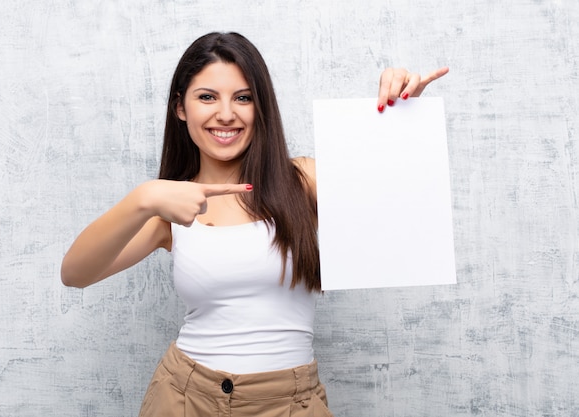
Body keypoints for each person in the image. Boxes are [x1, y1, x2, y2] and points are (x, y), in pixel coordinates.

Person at [61, 32, 448, 417]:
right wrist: (143, 198)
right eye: (207, 96)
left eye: (243, 97)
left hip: (290, 401)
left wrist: (400, 116)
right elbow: (75, 273)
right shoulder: (171, 206)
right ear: (180, 108)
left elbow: (399, 206)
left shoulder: (302, 180)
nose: (226, 114)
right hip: (184, 397)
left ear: (260, 106)